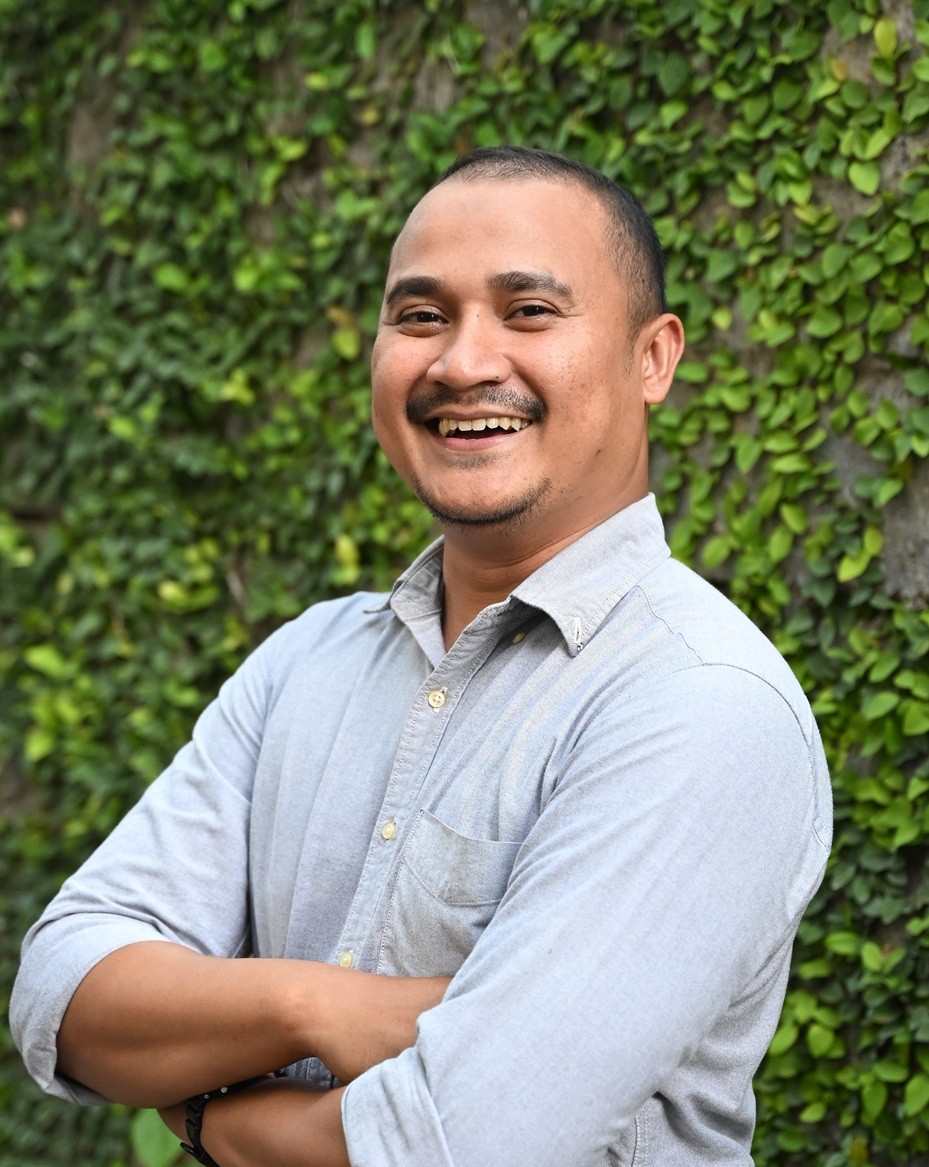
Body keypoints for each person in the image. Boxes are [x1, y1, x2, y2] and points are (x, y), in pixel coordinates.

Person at [11, 146, 832, 1167]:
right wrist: (321, 1006)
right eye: (420, 315)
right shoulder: (306, 662)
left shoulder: (699, 702)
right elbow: (59, 995)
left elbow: (461, 1144)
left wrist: (206, 1116)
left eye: (528, 311)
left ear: (651, 358)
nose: (461, 361)